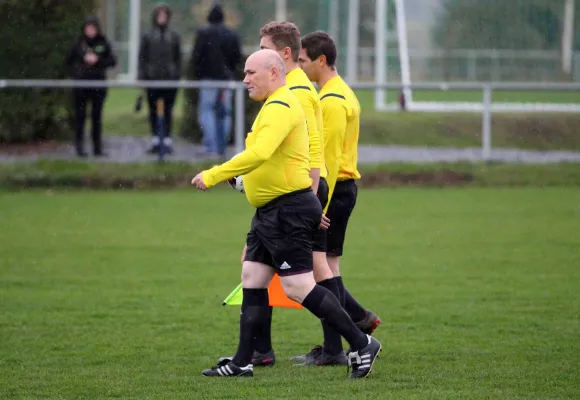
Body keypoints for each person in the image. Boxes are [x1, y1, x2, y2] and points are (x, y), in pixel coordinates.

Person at [191, 49, 382, 379]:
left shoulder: (281, 105)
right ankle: (242, 361)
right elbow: (268, 159)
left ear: (275, 73)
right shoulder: (273, 105)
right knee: (252, 278)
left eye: (252, 73)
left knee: (298, 286)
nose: (245, 79)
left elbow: (259, 153)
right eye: (245, 73)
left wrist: (215, 174)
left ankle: (361, 342)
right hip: (270, 212)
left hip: (288, 212)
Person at [217, 21, 347, 368]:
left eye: (263, 48)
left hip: (295, 197)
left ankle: (353, 339)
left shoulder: (295, 93)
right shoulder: (286, 91)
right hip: (286, 197)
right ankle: (256, 353)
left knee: (308, 278)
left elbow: (311, 147)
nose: (248, 74)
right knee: (256, 271)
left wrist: (313, 197)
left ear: (282, 55)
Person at [290, 30, 381, 363]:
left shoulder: (329, 101)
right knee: (328, 265)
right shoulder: (344, 92)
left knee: (320, 269)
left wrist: (317, 207)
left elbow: (325, 161)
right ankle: (358, 320)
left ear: (321, 60)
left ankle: (335, 348)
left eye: (303, 60)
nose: (299, 66)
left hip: (332, 192)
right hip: (343, 190)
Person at [191, 3, 242, 160]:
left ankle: (211, 147)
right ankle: (222, 148)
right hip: (226, 80)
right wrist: (229, 71)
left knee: (207, 111)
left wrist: (200, 72)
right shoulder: (231, 34)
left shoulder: (203, 34)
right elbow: (236, 57)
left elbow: (196, 56)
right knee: (224, 113)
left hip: (208, 79)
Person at [66, 16, 116, 157]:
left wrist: (98, 60)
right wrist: (78, 70)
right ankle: (80, 148)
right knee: (80, 117)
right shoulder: (78, 45)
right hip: (81, 86)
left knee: (96, 117)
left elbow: (112, 61)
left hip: (98, 85)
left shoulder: (103, 43)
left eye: (93, 28)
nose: (90, 31)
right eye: (88, 28)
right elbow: (68, 63)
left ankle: (97, 148)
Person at [138, 3, 182, 155]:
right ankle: (156, 140)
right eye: (159, 14)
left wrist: (176, 75)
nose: (162, 17)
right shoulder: (148, 35)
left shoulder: (174, 36)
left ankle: (167, 140)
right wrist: (142, 76)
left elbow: (178, 58)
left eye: (164, 14)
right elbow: (142, 57)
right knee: (152, 110)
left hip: (169, 80)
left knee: (168, 110)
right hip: (152, 79)